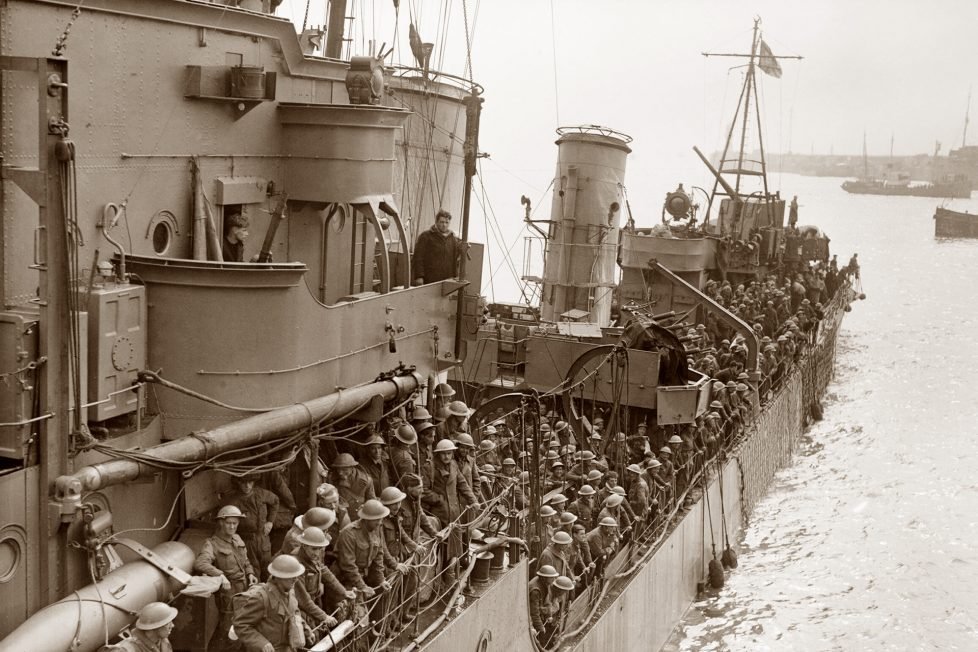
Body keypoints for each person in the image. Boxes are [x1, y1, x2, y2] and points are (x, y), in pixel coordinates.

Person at [194, 505, 258, 652]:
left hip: (245, 588)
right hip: (228, 594)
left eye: (235, 523)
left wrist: (250, 573)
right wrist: (220, 575)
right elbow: (201, 563)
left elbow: (246, 560)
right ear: (221, 523)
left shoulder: (237, 539)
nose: (232, 526)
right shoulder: (212, 543)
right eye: (228, 523)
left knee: (244, 624)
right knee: (228, 629)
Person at [232, 554, 328, 652]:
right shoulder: (261, 598)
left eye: (296, 576)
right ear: (278, 577)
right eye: (291, 577)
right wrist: (261, 643)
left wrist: (306, 630)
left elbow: (295, 613)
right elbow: (241, 625)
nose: (295, 579)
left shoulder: (290, 591)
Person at [223, 476, 279, 576]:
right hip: (246, 542)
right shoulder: (232, 500)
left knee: (269, 570)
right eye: (243, 482)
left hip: (263, 538)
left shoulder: (261, 493)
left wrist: (270, 522)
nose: (247, 486)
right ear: (238, 483)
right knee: (253, 572)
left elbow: (275, 501)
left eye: (250, 482)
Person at [412, 209, 467, 285]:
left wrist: (462, 250)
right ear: (436, 222)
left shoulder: (453, 239)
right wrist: (419, 276)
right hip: (429, 280)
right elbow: (418, 257)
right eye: (442, 222)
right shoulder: (426, 236)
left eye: (447, 222)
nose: (444, 225)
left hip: (447, 280)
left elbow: (454, 259)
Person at [107, 601, 177, 652]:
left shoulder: (162, 642)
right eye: (168, 623)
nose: (173, 625)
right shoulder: (126, 649)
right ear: (154, 627)